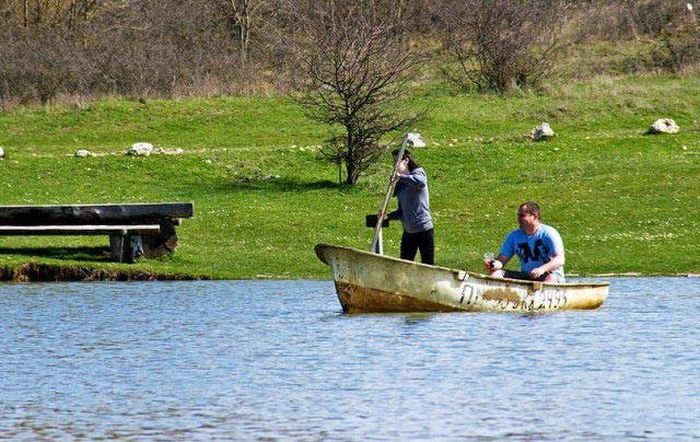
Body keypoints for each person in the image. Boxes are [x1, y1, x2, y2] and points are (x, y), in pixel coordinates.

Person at [484, 201, 565, 283]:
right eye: (518, 215)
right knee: (496, 274)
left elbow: (559, 259)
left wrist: (542, 269)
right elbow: (501, 260)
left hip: (548, 275)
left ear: (534, 216)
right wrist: (493, 264)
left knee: (551, 278)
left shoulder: (549, 233)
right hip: (526, 276)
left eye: (522, 215)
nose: (518, 219)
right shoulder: (514, 236)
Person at [384, 148, 434, 265]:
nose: (394, 165)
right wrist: (387, 216)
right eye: (393, 162)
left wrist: (400, 177)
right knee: (404, 265)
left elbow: (421, 182)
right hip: (408, 232)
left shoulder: (418, 173)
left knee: (428, 266)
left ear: (406, 160)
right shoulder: (401, 184)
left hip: (423, 229)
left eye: (397, 161)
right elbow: (401, 211)